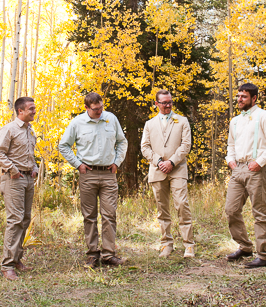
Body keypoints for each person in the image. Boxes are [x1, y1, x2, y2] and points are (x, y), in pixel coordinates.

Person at [59, 92, 128, 268]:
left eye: (101, 107)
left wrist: (117, 162)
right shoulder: (77, 123)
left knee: (109, 214)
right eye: (96, 109)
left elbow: (122, 142)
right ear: (87, 108)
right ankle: (92, 254)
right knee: (89, 216)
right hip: (87, 174)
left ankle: (108, 254)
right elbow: (63, 145)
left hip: (108, 174)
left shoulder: (111, 119)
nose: (100, 112)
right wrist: (77, 164)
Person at [224, 83, 266, 268]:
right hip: (238, 169)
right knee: (231, 210)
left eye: (244, 96)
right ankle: (245, 246)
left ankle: (264, 256)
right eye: (238, 96)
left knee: (259, 211)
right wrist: (230, 159)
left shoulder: (265, 117)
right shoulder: (235, 121)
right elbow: (231, 145)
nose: (240, 100)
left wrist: (260, 161)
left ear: (254, 98)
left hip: (256, 169)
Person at [141, 89, 195, 258]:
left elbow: (186, 145)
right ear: (156, 104)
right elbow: (145, 147)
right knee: (162, 208)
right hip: (157, 171)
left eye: (170, 102)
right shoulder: (150, 124)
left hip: (177, 168)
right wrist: (158, 162)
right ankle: (166, 244)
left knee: (181, 204)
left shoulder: (182, 121)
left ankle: (189, 245)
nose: (167, 105)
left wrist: (171, 162)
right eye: (163, 102)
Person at [0, 96, 38, 281]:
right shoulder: (9, 129)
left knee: (25, 219)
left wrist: (34, 167)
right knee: (15, 220)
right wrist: (13, 170)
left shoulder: (30, 131)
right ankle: (7, 265)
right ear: (20, 111)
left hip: (28, 180)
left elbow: (28, 154)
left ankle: (17, 259)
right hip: (13, 180)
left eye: (34, 108)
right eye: (31, 109)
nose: (34, 111)